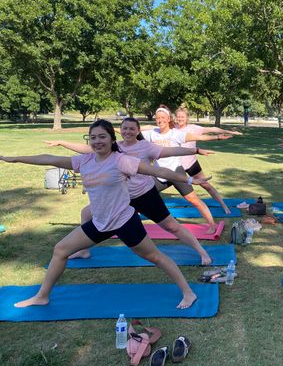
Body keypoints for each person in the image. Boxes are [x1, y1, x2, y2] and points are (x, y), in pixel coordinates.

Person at [0, 119, 211, 309]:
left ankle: (188, 292)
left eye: (102, 137)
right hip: (100, 223)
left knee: (155, 257)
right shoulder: (84, 161)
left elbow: (159, 172)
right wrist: (16, 159)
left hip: (125, 222)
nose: (97, 141)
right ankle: (42, 296)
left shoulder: (121, 161)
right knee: (60, 249)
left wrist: (191, 180)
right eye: (93, 137)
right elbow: (50, 158)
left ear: (111, 139)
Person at [46, 117, 215, 264]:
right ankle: (83, 249)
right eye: (124, 128)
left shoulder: (146, 147)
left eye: (131, 129)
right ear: (119, 131)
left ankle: (201, 251)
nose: (127, 131)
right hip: (121, 197)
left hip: (144, 195)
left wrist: (196, 150)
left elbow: (172, 150)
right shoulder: (114, 146)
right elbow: (86, 150)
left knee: (172, 227)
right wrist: (62, 142)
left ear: (137, 131)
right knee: (86, 213)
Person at [142, 105, 234, 233]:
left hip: (175, 172)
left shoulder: (176, 134)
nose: (160, 120)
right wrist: (108, 128)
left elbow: (199, 137)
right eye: (158, 118)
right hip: (159, 174)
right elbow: (129, 131)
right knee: (141, 195)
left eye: (163, 117)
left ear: (168, 119)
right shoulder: (151, 133)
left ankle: (212, 224)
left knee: (193, 199)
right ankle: (128, 222)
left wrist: (217, 137)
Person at [175, 106, 241, 215]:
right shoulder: (173, 128)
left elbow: (212, 129)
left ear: (187, 118)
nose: (180, 118)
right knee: (161, 183)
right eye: (178, 117)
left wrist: (228, 131)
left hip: (191, 164)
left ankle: (224, 206)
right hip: (177, 166)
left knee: (206, 185)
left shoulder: (193, 128)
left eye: (182, 116)